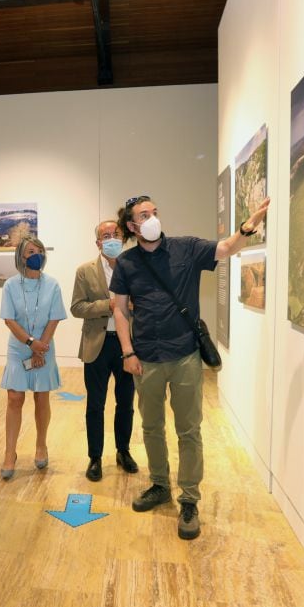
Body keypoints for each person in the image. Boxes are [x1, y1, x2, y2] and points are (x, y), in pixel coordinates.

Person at [111, 194, 269, 540]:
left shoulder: (186, 248)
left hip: (184, 355)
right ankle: (159, 484)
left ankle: (189, 499)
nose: (152, 218)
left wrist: (248, 225)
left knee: (189, 430)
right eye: (143, 215)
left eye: (154, 211)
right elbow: (120, 310)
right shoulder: (125, 264)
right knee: (151, 427)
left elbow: (226, 249)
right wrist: (127, 352)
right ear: (132, 226)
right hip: (145, 358)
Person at [70, 220, 137, 482]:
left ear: (124, 237)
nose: (111, 239)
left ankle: (123, 451)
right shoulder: (84, 271)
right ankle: (95, 457)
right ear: (97, 242)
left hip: (127, 345)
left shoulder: (135, 267)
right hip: (97, 344)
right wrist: (107, 305)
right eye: (105, 235)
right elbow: (77, 308)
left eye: (116, 234)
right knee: (95, 405)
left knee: (126, 403)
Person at [0, 236, 66, 479]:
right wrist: (30, 343)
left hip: (44, 347)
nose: (35, 254)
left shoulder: (52, 284)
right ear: (20, 257)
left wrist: (40, 347)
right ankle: (9, 453)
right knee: (14, 399)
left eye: (38, 250)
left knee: (41, 398)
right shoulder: (10, 285)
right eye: (30, 251)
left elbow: (55, 317)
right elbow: (9, 319)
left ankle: (41, 445)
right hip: (19, 348)